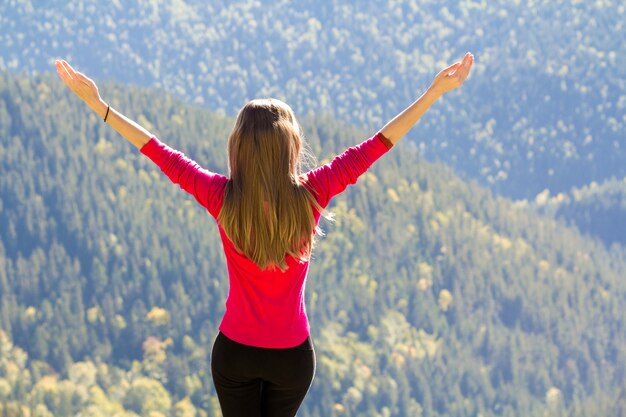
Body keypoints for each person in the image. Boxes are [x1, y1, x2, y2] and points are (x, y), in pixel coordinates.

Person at [55, 52, 473, 417]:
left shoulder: (222, 197)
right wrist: (433, 92)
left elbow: (158, 150)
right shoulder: (312, 195)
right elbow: (379, 143)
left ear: (238, 147)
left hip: (235, 351)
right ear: (290, 147)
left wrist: (100, 106)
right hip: (293, 357)